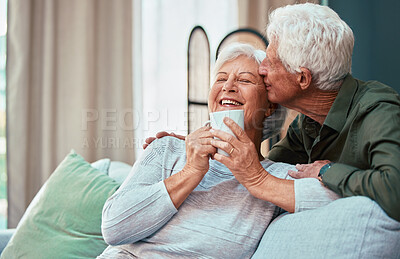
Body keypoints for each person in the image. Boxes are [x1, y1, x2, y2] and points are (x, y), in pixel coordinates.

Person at [146, 3, 400, 222]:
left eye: (270, 61)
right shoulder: (306, 123)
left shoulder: (378, 110)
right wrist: (200, 144)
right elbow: (263, 166)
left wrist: (326, 172)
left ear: (302, 78)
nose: (262, 69)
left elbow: (395, 190)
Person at [98, 43, 338, 258]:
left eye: (244, 80)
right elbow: (114, 227)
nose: (229, 87)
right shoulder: (167, 149)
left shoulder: (274, 177)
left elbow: (341, 205)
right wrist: (190, 172)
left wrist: (256, 177)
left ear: (269, 107)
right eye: (221, 79)